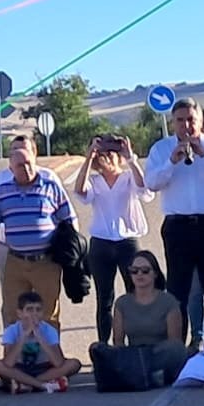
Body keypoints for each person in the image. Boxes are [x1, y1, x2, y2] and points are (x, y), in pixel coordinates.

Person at [144, 99, 204, 343]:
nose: (186, 125)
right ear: (173, 122)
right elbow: (152, 183)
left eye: (191, 120)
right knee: (178, 291)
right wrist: (171, 161)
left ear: (200, 121)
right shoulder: (161, 149)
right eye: (180, 120)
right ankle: (177, 348)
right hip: (178, 227)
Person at [0, 139, 75, 327]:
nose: (25, 169)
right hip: (15, 262)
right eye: (20, 165)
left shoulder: (51, 188)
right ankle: (15, 355)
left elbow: (69, 221)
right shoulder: (2, 192)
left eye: (28, 164)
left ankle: (49, 355)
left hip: (46, 261)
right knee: (13, 313)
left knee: (48, 314)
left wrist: (72, 254)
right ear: (11, 169)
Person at [72, 134, 151, 342]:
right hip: (101, 242)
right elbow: (79, 192)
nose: (105, 158)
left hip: (127, 242)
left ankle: (137, 341)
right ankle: (105, 344)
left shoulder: (127, 178)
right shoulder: (95, 181)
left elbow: (144, 189)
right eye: (102, 154)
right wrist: (89, 157)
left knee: (135, 294)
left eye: (110, 153)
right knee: (104, 298)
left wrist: (130, 157)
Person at [88, 250, 190, 391]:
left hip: (158, 354)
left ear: (155, 273)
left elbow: (174, 341)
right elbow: (118, 342)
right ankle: (147, 376)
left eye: (145, 271)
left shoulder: (169, 301)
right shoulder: (122, 302)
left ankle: (140, 375)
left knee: (177, 350)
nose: (139, 275)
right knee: (97, 347)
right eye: (134, 271)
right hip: (133, 354)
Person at [0, 291, 80, 394]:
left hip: (43, 369)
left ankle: (25, 384)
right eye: (29, 310)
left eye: (38, 310)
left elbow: (58, 362)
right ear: (20, 313)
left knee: (73, 364)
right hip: (20, 369)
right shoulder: (11, 330)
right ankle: (42, 385)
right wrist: (24, 336)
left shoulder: (49, 330)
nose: (34, 314)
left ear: (42, 313)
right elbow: (9, 363)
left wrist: (40, 337)